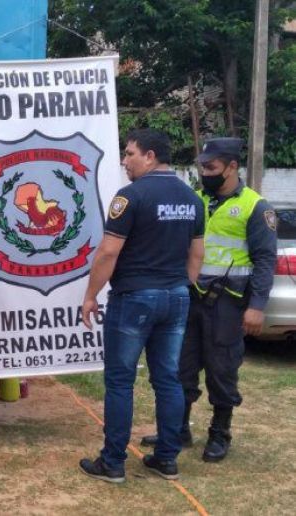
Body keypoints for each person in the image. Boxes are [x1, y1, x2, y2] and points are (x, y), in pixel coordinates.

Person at [79, 129, 205, 483]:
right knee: (167, 378)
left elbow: (108, 252)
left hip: (135, 297)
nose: (124, 160)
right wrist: (182, 285)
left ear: (150, 156)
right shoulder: (192, 199)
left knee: (120, 380)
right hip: (176, 296)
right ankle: (167, 458)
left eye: (130, 153)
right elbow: (196, 254)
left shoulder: (130, 197)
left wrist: (90, 295)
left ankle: (113, 463)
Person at [140, 137, 277, 462]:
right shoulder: (193, 200)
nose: (205, 173)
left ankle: (220, 433)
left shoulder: (255, 207)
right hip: (190, 298)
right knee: (178, 368)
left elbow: (265, 260)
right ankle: (177, 430)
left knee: (222, 369)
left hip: (228, 302)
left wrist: (257, 306)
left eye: (211, 167)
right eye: (202, 166)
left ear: (232, 166)